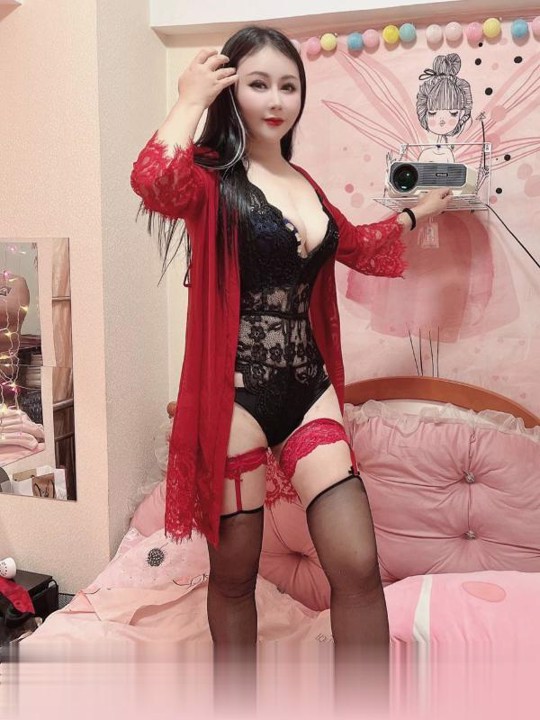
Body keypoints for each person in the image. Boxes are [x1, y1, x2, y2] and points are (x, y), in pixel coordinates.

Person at [131, 25, 451, 712]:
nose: (276, 100)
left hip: (310, 390)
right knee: (234, 578)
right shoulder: (211, 179)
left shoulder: (303, 183)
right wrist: (188, 98)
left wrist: (416, 216)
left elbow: (354, 244)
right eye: (258, 84)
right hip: (236, 399)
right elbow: (153, 181)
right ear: (232, 91)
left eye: (288, 85)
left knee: (357, 566)